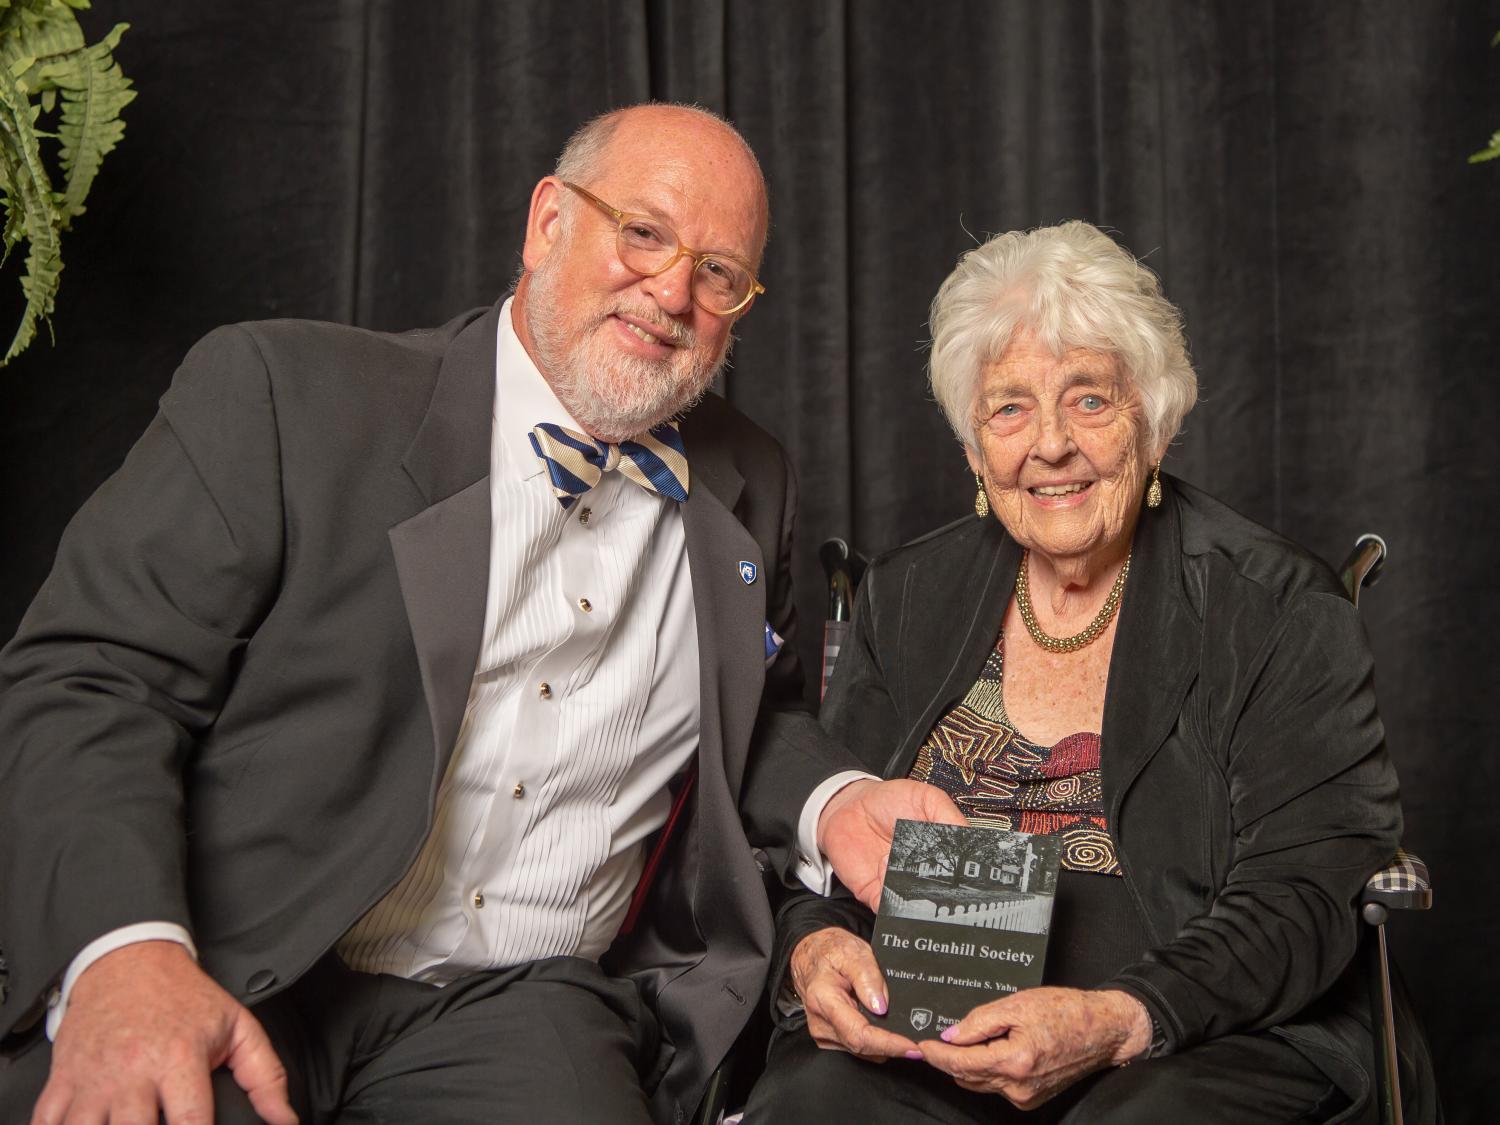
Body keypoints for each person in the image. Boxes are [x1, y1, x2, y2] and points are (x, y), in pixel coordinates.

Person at [0, 104, 960, 1125]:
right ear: (548, 222)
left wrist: (838, 799)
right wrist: (128, 951)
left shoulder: (748, 477)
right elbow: (94, 679)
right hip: (243, 958)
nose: (673, 292)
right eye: (644, 232)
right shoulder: (288, 393)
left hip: (519, 1005)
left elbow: (746, 721)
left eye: (719, 274)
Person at [745, 220, 1434, 1123]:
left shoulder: (1274, 606)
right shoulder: (908, 594)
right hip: (938, 1029)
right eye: (1009, 408)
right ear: (973, 452)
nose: (1051, 445)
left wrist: (1118, 1020)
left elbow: (1306, 892)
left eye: (1090, 401)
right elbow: (830, 847)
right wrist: (815, 950)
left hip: (1198, 1033)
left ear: (1153, 424)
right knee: (813, 1101)